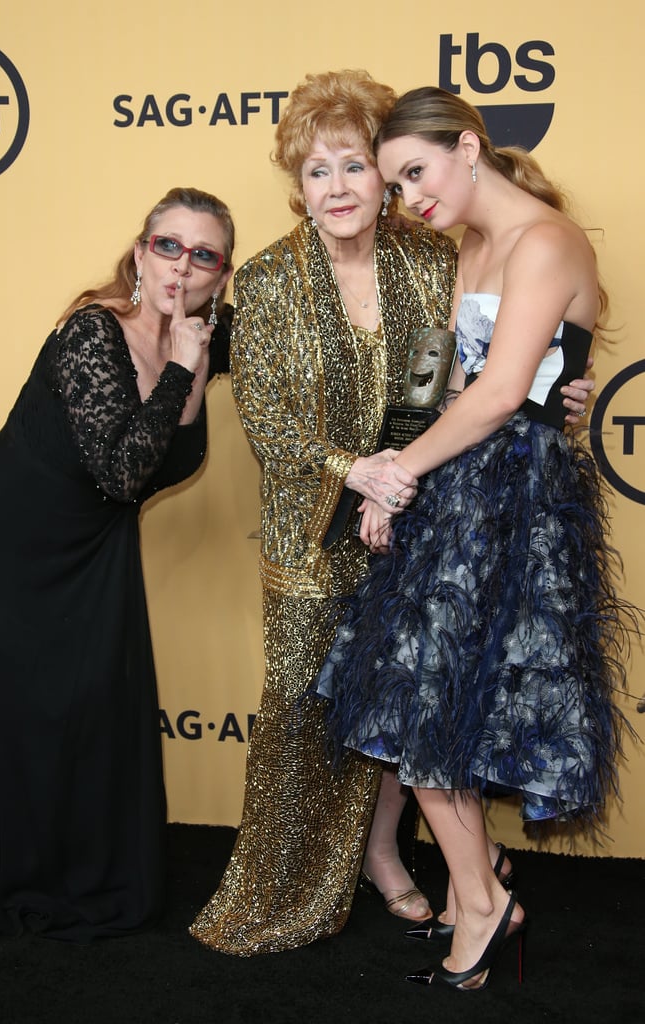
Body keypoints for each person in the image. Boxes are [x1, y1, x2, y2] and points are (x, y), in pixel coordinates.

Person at [190, 71, 591, 957]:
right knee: (311, 703)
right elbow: (268, 417)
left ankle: (386, 857)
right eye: (316, 172)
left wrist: (553, 394)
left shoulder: (432, 256)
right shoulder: (264, 282)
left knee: (406, 699)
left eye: (358, 169)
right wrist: (358, 473)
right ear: (296, 186)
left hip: (422, 506)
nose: (339, 189)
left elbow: (465, 377)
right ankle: (279, 884)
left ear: (386, 178)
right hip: (316, 522)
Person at [316, 86, 630, 990]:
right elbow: (460, 378)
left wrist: (402, 472)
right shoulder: (476, 242)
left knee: (434, 697)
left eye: (415, 173)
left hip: (514, 499)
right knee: (422, 692)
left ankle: (483, 903)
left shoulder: (545, 239)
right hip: (462, 486)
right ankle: (478, 884)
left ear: (467, 146)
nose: (409, 197)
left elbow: (500, 396)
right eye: (396, 183)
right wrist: (390, 473)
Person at [0, 187, 234, 943]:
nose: (181, 268)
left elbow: (306, 358)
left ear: (222, 275)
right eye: (168, 246)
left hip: (94, 545)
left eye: (203, 255)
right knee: (26, 712)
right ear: (140, 250)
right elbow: (125, 472)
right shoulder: (95, 333)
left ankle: (83, 867)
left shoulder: (208, 336)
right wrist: (180, 373)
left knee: (94, 707)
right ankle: (12, 867)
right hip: (9, 538)